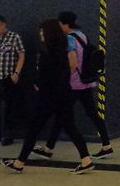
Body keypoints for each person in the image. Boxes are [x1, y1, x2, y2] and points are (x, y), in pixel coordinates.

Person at [0, 19, 94, 174]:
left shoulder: (46, 54)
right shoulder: (64, 50)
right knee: (70, 127)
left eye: (43, 32)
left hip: (48, 98)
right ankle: (86, 159)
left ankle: (19, 163)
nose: (41, 35)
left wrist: (33, 81)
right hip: (64, 94)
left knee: (34, 129)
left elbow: (44, 78)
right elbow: (65, 73)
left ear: (49, 34)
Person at [32, 11, 112, 160]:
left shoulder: (68, 39)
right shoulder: (82, 35)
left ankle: (49, 149)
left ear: (65, 24)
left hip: (73, 83)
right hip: (85, 81)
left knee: (62, 117)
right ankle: (106, 144)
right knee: (91, 114)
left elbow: (72, 62)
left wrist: (59, 73)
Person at [0, 15, 25, 146]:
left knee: (9, 108)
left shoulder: (14, 38)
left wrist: (16, 73)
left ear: (4, 25)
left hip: (8, 78)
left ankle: (8, 135)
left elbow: (21, 55)